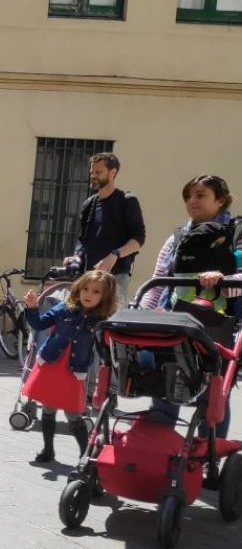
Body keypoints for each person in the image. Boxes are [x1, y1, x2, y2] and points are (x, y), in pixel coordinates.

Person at [139, 174, 238, 433]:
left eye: (200, 195)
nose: (192, 201)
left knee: (212, 395)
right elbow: (158, 282)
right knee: (165, 385)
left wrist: (223, 280)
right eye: (188, 197)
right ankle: (160, 445)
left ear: (221, 201)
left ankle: (209, 450)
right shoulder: (177, 238)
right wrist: (141, 314)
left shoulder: (236, 236)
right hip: (176, 321)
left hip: (218, 324)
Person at [23, 270, 117, 463]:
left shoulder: (101, 322)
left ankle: (85, 454)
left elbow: (105, 348)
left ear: (105, 297)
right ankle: (48, 450)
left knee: (72, 413)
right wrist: (32, 308)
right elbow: (39, 324)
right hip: (51, 365)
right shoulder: (64, 308)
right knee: (48, 408)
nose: (88, 294)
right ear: (78, 288)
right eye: (85, 289)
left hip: (73, 372)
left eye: (96, 292)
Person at [64, 152, 145, 304]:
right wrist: (76, 256)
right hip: (89, 278)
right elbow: (83, 239)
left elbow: (138, 239)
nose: (93, 176)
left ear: (112, 172)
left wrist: (115, 254)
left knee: (111, 318)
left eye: (98, 172)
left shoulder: (127, 201)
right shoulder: (89, 204)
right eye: (92, 172)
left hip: (115, 279)